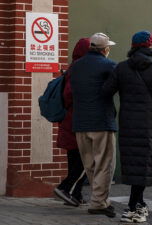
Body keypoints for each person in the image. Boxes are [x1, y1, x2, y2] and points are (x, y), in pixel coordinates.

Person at [103, 30, 152, 223]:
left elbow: (105, 91)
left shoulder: (121, 68)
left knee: (134, 164)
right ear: (150, 46)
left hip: (128, 123)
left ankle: (138, 204)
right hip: (150, 124)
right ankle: (133, 208)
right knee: (144, 164)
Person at [70, 33, 117, 217]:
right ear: (105, 49)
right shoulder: (109, 65)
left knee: (89, 164)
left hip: (80, 123)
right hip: (101, 122)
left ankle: (99, 199)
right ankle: (99, 202)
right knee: (104, 164)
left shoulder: (76, 66)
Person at [54, 38, 90, 207]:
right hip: (75, 122)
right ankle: (65, 188)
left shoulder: (72, 68)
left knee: (76, 160)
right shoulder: (78, 70)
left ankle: (75, 194)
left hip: (70, 123)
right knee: (85, 160)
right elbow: (69, 95)